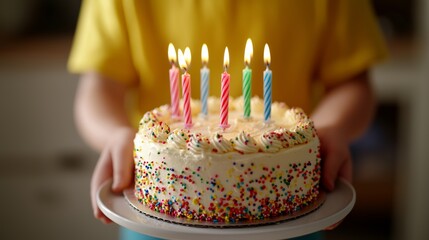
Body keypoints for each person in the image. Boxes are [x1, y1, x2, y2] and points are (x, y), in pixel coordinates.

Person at [68, 1, 387, 239]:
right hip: (155, 227)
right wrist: (114, 134)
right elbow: (98, 89)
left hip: (290, 227)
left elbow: (352, 82)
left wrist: (331, 128)